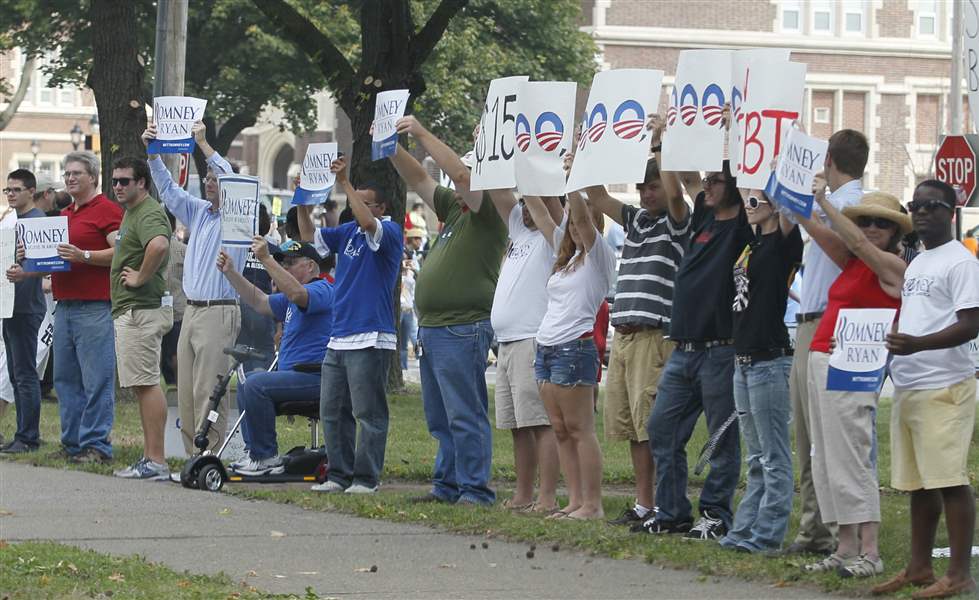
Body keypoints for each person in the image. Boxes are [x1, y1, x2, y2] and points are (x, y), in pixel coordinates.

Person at [389, 115, 507, 506]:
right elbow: (418, 180)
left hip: (463, 326)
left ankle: (474, 489)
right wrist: (389, 146)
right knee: (442, 418)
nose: (456, 185)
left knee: (464, 413)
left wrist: (421, 132)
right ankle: (448, 485)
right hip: (437, 328)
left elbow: (461, 177)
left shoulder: (488, 211)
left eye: (466, 176)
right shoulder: (455, 211)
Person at [872, 180, 979, 599]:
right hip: (911, 383)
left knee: (949, 480)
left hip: (944, 385)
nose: (919, 212)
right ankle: (918, 567)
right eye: (914, 205)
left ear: (951, 212)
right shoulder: (918, 262)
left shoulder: (961, 262)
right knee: (917, 484)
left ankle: (958, 574)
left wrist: (917, 344)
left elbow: (971, 323)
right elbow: (918, 316)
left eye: (930, 206)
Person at [584, 116, 691, 528]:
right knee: (630, 425)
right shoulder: (636, 220)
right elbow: (597, 195)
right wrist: (586, 151)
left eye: (654, 186)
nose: (647, 193)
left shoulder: (679, 221)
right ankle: (644, 503)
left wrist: (662, 141)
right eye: (643, 187)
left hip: (654, 334)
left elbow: (679, 195)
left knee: (652, 425)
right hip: (625, 336)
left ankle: (664, 503)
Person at [797, 186, 909, 578]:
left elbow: (856, 242)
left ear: (897, 233)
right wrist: (794, 204)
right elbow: (825, 235)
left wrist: (825, 201)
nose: (873, 228)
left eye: (884, 223)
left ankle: (871, 551)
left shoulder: (893, 267)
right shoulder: (853, 264)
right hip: (823, 356)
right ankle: (844, 547)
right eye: (867, 220)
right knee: (825, 457)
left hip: (853, 364)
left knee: (852, 455)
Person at [642, 161, 752, 540]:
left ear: (735, 184)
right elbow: (683, 182)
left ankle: (716, 513)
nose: (704, 186)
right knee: (662, 428)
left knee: (721, 437)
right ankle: (672, 512)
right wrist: (663, 144)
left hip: (720, 349)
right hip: (684, 349)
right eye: (705, 180)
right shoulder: (704, 213)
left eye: (715, 181)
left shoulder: (744, 224)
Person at [784, 129, 868, 556]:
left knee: (827, 433)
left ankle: (838, 533)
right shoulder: (832, 203)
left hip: (831, 323)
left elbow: (846, 254)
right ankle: (814, 525)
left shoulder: (854, 203)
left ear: (830, 158)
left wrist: (808, 213)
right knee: (806, 431)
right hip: (808, 320)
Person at [297, 156, 400, 495]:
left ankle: (366, 477)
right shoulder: (348, 233)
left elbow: (369, 223)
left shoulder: (389, 231)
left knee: (368, 412)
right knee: (332, 411)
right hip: (339, 337)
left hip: (370, 335)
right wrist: (303, 196)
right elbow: (310, 237)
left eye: (365, 202)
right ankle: (339, 474)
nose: (359, 209)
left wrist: (344, 184)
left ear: (381, 207)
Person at [143, 121, 246, 453]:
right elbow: (169, 191)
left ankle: (210, 455)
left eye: (217, 181)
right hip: (192, 310)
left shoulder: (236, 217)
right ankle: (192, 455)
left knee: (209, 389)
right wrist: (153, 153)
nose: (213, 184)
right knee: (186, 388)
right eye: (210, 180)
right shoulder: (200, 211)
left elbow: (228, 173)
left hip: (219, 310)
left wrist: (201, 142)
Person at [717, 189, 802, 554]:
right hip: (744, 360)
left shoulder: (784, 242)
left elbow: (788, 211)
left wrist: (779, 171)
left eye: (755, 202)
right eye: (747, 201)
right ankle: (745, 530)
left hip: (770, 359)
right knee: (755, 456)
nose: (748, 207)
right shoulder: (750, 245)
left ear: (773, 206)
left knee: (774, 454)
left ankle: (767, 535)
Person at [524, 191, 616, 520]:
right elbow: (540, 212)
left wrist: (575, 185)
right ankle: (575, 501)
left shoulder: (599, 257)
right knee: (560, 429)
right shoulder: (566, 258)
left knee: (580, 429)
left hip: (574, 348)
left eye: (584, 221)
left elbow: (579, 219)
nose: (576, 228)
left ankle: (592, 504)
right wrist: (523, 175)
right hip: (547, 349)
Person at [216, 238, 334, 476]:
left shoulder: (322, 289)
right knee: (250, 380)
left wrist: (267, 259)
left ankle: (266, 457)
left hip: (317, 377)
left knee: (255, 384)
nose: (285, 268)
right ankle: (255, 454)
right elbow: (260, 301)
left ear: (311, 266)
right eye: (283, 264)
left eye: (290, 263)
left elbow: (299, 293)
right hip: (297, 376)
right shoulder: (290, 298)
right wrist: (231, 273)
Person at [489, 193, 565, 513]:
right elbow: (496, 192)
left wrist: (534, 175)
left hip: (531, 338)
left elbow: (549, 208)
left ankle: (547, 496)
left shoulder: (556, 235)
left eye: (530, 202)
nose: (524, 208)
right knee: (518, 425)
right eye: (522, 203)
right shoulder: (520, 232)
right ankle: (523, 494)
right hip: (506, 342)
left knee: (540, 422)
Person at [106, 157, 174, 480]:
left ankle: (157, 461)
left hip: (141, 310)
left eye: (125, 181)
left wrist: (139, 278)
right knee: (142, 384)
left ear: (142, 183)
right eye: (115, 181)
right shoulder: (133, 213)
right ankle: (150, 458)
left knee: (147, 384)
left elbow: (159, 244)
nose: (118, 186)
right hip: (133, 310)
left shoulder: (147, 211)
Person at [1, 169, 47, 453]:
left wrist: (24, 265)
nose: (11, 194)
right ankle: (21, 433)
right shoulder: (12, 220)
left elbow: (44, 263)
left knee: (25, 373)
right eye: (8, 190)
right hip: (9, 304)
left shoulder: (37, 221)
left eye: (16, 189)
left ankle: (29, 436)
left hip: (26, 307)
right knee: (17, 374)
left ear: (32, 191)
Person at [235, 204, 278, 372]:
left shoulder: (237, 249)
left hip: (240, 304)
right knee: (264, 353)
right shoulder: (273, 250)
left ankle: (245, 385)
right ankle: (258, 385)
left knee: (242, 351)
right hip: (264, 307)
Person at [160, 209, 186, 386]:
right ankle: (177, 386)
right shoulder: (185, 250)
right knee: (175, 352)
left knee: (169, 353)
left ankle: (175, 385)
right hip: (180, 309)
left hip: (164, 309)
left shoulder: (149, 248)